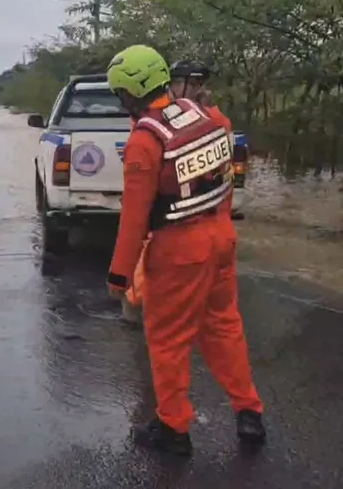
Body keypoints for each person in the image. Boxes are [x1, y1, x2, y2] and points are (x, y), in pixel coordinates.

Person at [105, 44, 266, 456]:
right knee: (225, 328)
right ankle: (249, 412)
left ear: (129, 92)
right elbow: (225, 177)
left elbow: (135, 217)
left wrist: (119, 274)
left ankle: (174, 429)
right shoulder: (209, 117)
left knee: (168, 341)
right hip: (221, 237)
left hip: (179, 250)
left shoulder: (145, 140)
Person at [121, 60, 232, 322]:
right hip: (180, 220)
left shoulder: (212, 120)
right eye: (190, 83)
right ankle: (139, 307)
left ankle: (143, 308)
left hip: (194, 222)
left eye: (198, 84)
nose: (194, 89)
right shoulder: (164, 117)